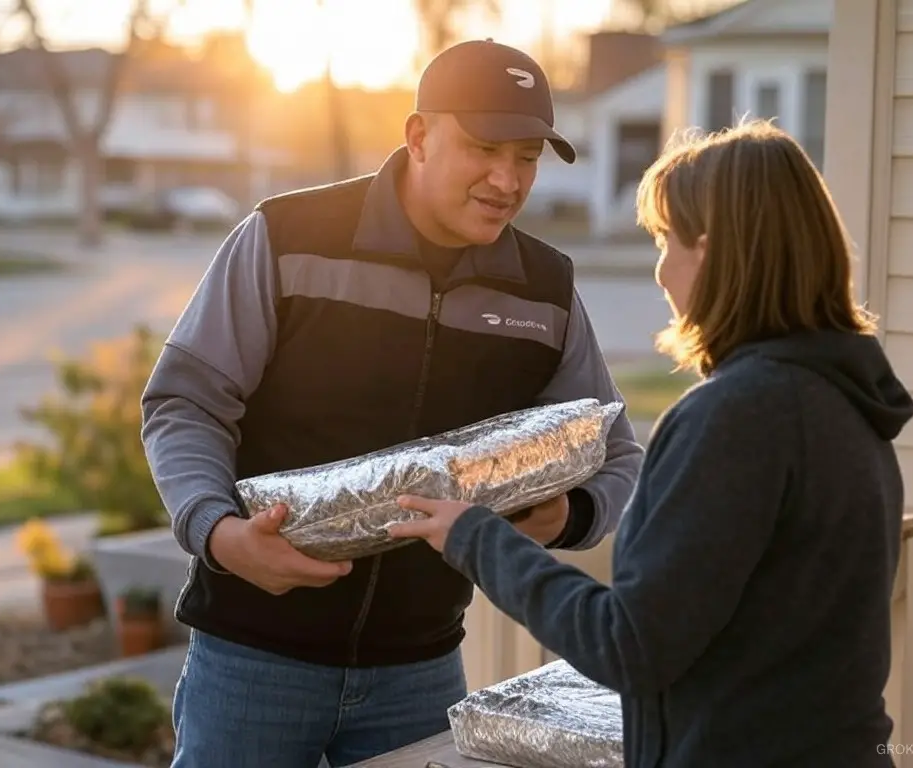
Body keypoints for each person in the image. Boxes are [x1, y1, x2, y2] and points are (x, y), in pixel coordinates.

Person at [141, 38, 644, 768]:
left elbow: (615, 448)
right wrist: (218, 534)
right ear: (418, 136)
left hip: (422, 670)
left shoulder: (545, 289)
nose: (508, 179)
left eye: (528, 156)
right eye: (484, 148)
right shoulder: (287, 239)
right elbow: (184, 402)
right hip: (253, 660)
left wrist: (572, 514)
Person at [390, 119, 913, 768]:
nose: (662, 272)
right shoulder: (845, 402)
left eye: (668, 240)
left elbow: (629, 645)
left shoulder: (739, 416)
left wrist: (477, 538)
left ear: (719, 249)